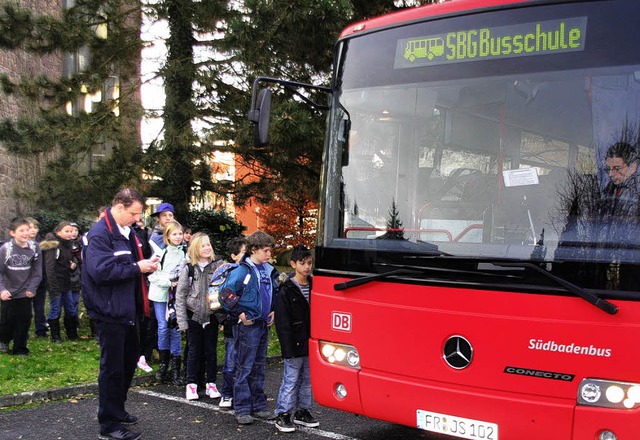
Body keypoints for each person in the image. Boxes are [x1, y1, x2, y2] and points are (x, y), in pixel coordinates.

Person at [82, 188, 160, 440]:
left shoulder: (126, 232)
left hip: (129, 309)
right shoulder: (100, 234)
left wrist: (144, 265)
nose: (137, 219)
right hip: (110, 311)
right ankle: (109, 424)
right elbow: (101, 272)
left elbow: (127, 266)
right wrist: (137, 267)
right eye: (134, 213)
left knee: (127, 364)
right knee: (113, 368)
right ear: (119, 207)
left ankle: (117, 409)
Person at [221, 231, 279, 425]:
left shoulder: (268, 269)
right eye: (266, 250)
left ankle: (259, 405)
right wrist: (239, 313)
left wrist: (273, 310)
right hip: (248, 326)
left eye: (270, 250)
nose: (269, 254)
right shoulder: (242, 271)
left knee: (259, 366)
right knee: (244, 366)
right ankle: (243, 407)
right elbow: (225, 294)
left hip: (262, 323)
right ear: (254, 249)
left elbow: (273, 291)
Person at [273, 245, 319, 432]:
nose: (307, 267)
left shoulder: (315, 285)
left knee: (308, 379)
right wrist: (287, 348)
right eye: (302, 263)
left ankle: (302, 411)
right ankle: (283, 413)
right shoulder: (286, 289)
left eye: (309, 263)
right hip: (294, 342)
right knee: (291, 379)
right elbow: (282, 323)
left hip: (311, 340)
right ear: (293, 264)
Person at [175, 232, 223, 401]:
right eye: (203, 245)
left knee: (210, 351)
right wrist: (182, 321)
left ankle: (211, 383)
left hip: (211, 316)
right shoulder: (188, 269)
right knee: (194, 351)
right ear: (195, 249)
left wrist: (222, 316)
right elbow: (180, 296)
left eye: (208, 244)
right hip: (193, 316)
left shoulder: (218, 267)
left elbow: (222, 292)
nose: (207, 248)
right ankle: (191, 384)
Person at [148, 221, 186, 385]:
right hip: (161, 295)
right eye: (174, 234)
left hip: (177, 297)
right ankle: (164, 364)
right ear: (167, 236)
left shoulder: (185, 253)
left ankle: (176, 368)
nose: (178, 237)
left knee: (175, 328)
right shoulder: (160, 252)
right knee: (163, 326)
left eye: (180, 234)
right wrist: (169, 282)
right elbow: (152, 275)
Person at [0, 217, 42, 356]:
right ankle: (4, 341)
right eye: (21, 231)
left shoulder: (35, 247)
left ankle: (20, 348)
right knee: (8, 320)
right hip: (9, 291)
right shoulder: (6, 249)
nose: (25, 233)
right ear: (13, 233)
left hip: (25, 291)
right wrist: (2, 290)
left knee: (24, 320)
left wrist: (32, 288)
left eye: (27, 230)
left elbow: (37, 271)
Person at [41, 221, 82, 342]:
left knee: (70, 309)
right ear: (58, 232)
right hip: (56, 284)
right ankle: (56, 336)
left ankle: (72, 334)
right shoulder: (53, 246)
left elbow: (63, 263)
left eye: (71, 231)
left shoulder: (68, 244)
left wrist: (70, 266)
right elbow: (49, 267)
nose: (70, 234)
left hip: (67, 282)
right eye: (67, 231)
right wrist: (53, 287)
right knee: (55, 309)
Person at [217, 236, 246, 409]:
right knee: (230, 361)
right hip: (232, 322)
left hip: (249, 322)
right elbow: (217, 298)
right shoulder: (226, 272)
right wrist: (223, 319)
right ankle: (227, 393)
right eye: (243, 252)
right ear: (233, 255)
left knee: (247, 361)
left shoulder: (251, 270)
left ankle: (243, 392)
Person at [25, 217, 48, 338]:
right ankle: (24, 331)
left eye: (35, 227)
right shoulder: (19, 244)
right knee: (25, 309)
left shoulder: (43, 244)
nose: (33, 230)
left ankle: (41, 331)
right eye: (29, 228)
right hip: (23, 282)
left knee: (39, 308)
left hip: (40, 281)